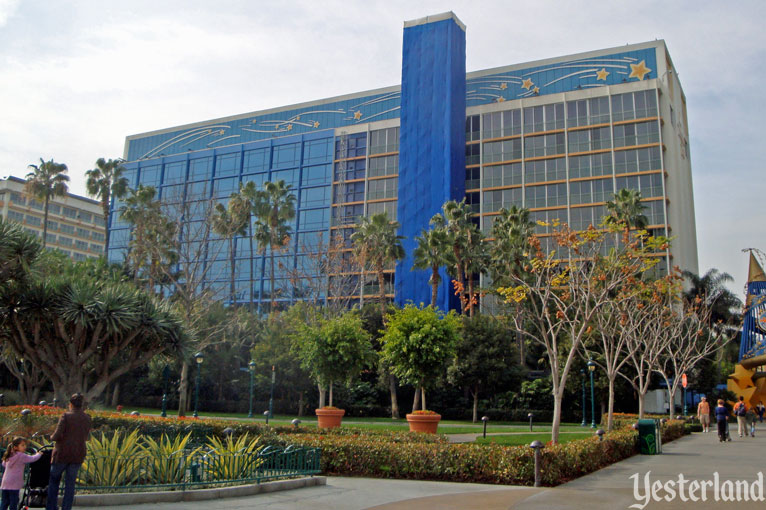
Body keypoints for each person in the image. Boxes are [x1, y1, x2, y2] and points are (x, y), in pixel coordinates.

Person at [47, 393, 91, 510]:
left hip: (62, 453)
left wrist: (51, 437)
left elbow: (57, 435)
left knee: (54, 481)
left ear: (70, 404)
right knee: (70, 484)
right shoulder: (87, 418)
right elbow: (86, 436)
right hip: (78, 454)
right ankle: (66, 507)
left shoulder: (66, 416)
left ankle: (51, 507)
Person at [1, 437, 42, 510]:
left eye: (25, 445)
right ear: (16, 447)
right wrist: (38, 454)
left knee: (4, 502)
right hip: (14, 483)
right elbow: (32, 458)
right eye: (22, 445)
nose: (25, 447)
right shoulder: (21, 456)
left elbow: (4, 464)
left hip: (5, 482)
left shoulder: (9, 455)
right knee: (14, 502)